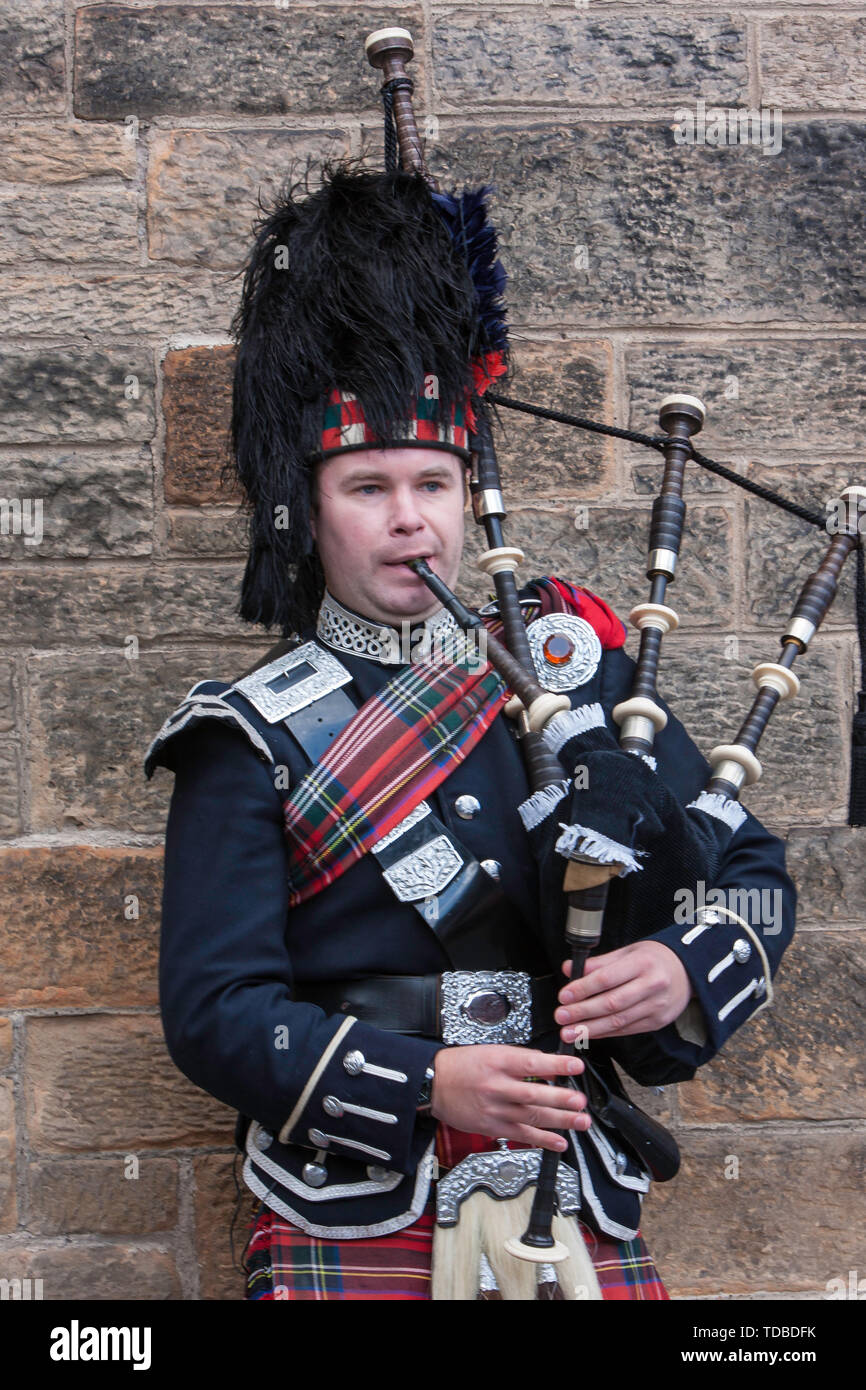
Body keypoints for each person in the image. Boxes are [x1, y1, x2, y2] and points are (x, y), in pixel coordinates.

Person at [144, 165, 795, 1300]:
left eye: (433, 483)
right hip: (353, 1203)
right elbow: (215, 1013)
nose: (409, 519)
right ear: (309, 514)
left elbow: (747, 872)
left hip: (566, 1182)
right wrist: (424, 1084)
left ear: (465, 497)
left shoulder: (571, 668)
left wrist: (674, 967)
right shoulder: (245, 734)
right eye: (367, 486)